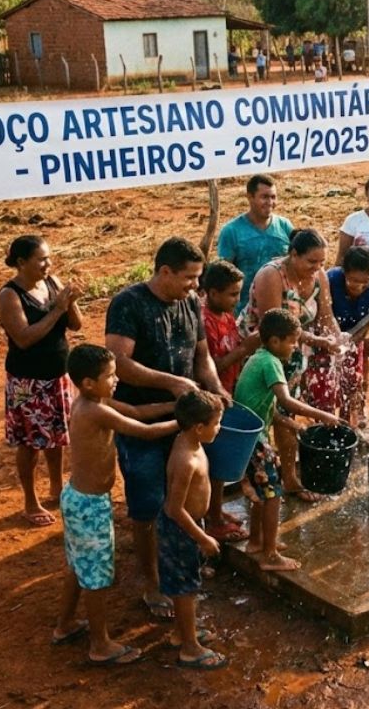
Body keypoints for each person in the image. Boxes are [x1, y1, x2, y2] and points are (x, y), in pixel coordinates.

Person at [104, 237, 229, 621]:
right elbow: (119, 363)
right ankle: (152, 580)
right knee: (146, 502)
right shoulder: (129, 304)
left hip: (184, 419)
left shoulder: (190, 302)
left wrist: (215, 388)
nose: (196, 286)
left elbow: (201, 356)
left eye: (198, 279)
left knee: (181, 496)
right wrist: (172, 383)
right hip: (142, 416)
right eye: (189, 278)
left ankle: (180, 563)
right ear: (164, 272)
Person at [53, 345, 177, 665]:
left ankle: (65, 624)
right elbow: (144, 431)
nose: (116, 380)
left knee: (78, 565)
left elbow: (136, 413)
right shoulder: (95, 410)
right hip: (90, 505)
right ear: (88, 382)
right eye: (110, 376)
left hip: (78, 499)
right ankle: (100, 644)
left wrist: (175, 405)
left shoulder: (94, 401)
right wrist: (185, 422)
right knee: (96, 577)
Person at [236, 309, 340, 571]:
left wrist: (295, 425)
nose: (295, 348)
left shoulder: (258, 357)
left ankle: (257, 541)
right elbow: (285, 401)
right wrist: (322, 415)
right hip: (254, 440)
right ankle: (271, 555)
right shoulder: (270, 362)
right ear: (274, 341)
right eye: (293, 342)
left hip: (248, 436)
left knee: (262, 492)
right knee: (273, 494)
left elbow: (268, 408)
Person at [241, 229, 341, 500]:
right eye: (311, 262)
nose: (317, 268)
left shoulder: (319, 276)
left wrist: (335, 337)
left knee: (288, 413)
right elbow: (273, 327)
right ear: (293, 254)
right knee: (268, 411)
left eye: (321, 263)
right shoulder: (271, 276)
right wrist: (319, 340)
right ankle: (264, 478)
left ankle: (287, 476)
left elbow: (327, 315)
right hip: (263, 349)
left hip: (295, 349)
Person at [0, 235, 83, 528]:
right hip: (27, 381)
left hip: (57, 376)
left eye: (49, 257)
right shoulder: (9, 295)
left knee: (57, 436)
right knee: (29, 443)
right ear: (21, 262)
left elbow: (76, 325)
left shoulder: (52, 282)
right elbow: (23, 338)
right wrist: (57, 308)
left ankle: (56, 487)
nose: (48, 264)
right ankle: (30, 500)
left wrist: (69, 303)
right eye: (41, 259)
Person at [160, 390, 228, 670]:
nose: (219, 428)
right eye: (217, 423)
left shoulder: (189, 441)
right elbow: (174, 509)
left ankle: (181, 632)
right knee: (185, 587)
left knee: (185, 584)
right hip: (181, 529)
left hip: (187, 526)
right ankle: (190, 648)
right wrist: (202, 538)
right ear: (199, 428)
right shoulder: (186, 459)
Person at [199, 261, 258, 542]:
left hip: (226, 393)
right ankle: (210, 519)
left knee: (220, 461)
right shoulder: (203, 321)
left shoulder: (225, 314)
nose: (238, 300)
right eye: (232, 294)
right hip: (209, 397)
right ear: (212, 292)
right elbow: (211, 365)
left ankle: (216, 511)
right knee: (212, 462)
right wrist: (245, 349)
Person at [217, 174, 295, 315]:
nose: (270, 202)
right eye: (264, 197)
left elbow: (296, 263)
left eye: (273, 197)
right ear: (250, 197)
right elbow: (223, 276)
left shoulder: (284, 226)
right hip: (244, 311)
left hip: (283, 308)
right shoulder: (231, 231)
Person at [326, 246, 369, 427]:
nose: (359, 287)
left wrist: (351, 343)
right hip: (328, 335)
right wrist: (335, 341)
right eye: (353, 281)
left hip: (357, 332)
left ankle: (354, 413)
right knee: (327, 379)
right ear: (344, 273)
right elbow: (324, 313)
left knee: (355, 377)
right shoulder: (331, 279)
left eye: (364, 282)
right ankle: (326, 418)